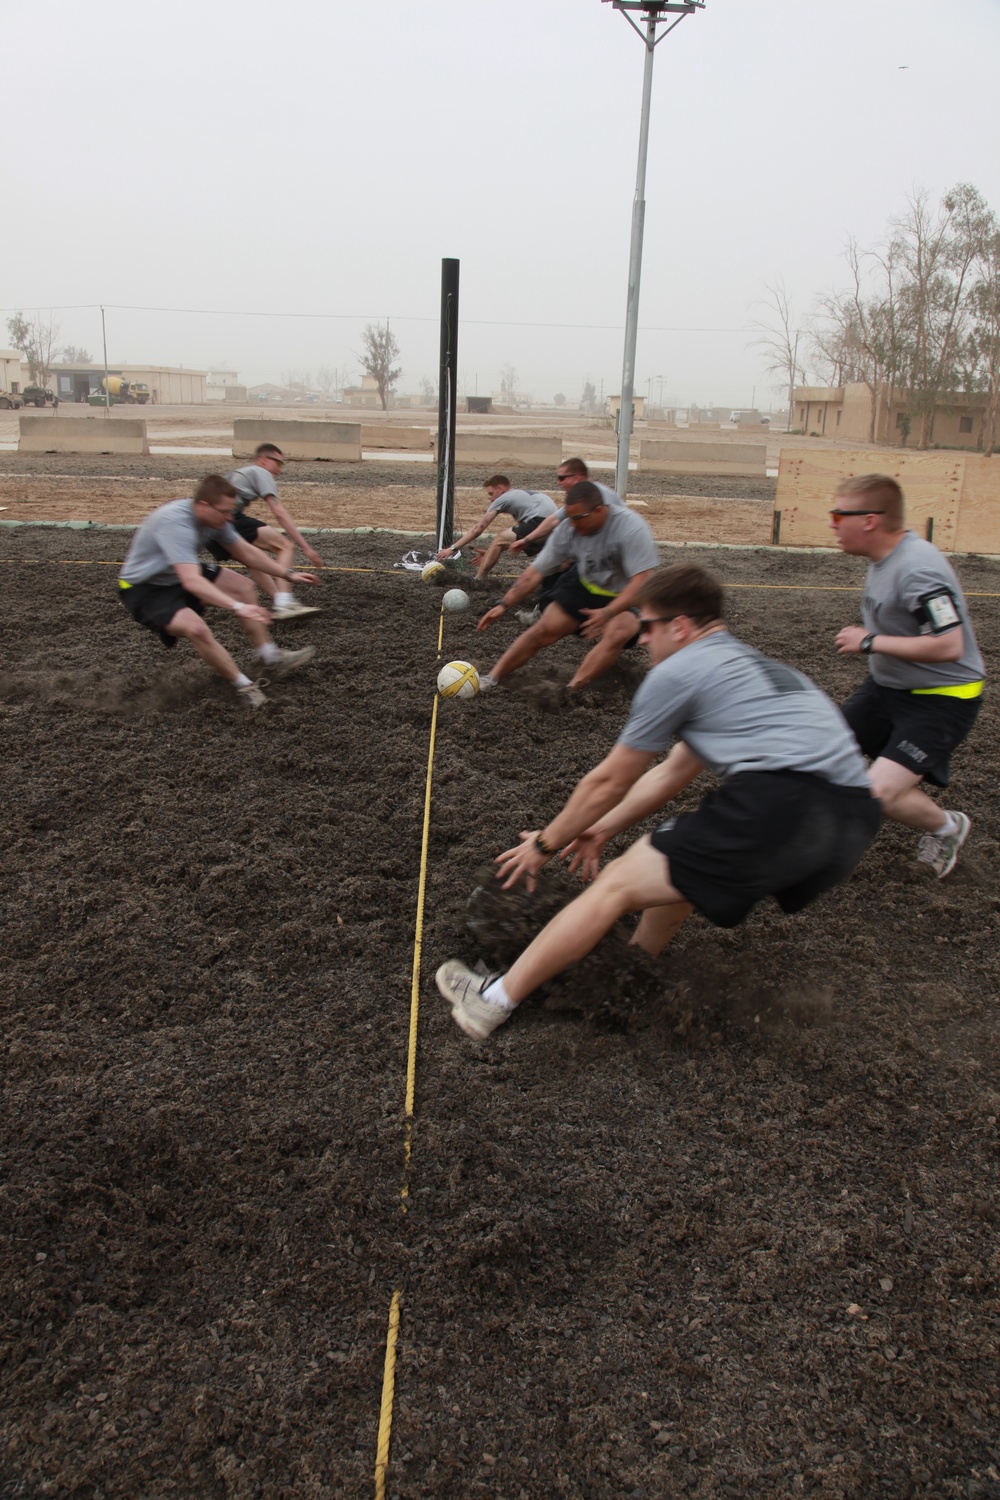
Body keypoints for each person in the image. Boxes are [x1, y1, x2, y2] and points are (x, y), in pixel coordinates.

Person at [436, 562, 881, 1040]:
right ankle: (629, 974)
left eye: (647, 626)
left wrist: (545, 845)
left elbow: (610, 779)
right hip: (851, 821)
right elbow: (673, 770)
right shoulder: (745, 668)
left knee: (616, 886)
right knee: (680, 867)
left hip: (782, 803)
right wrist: (603, 829)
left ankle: (491, 1000)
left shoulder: (678, 673)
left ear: (681, 625)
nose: (641, 639)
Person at [831, 473, 985, 878]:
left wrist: (870, 642)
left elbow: (950, 645)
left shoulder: (918, 568)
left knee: (877, 794)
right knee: (823, 751)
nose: (831, 524)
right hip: (888, 689)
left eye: (837, 515)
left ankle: (948, 827)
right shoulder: (884, 557)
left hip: (944, 697)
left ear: (869, 520)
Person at [118, 474, 319, 707]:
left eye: (231, 511)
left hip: (176, 573)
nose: (229, 517)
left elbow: (246, 552)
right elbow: (192, 582)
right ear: (204, 505)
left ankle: (271, 658)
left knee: (244, 587)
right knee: (196, 629)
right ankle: (245, 686)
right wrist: (238, 607)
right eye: (224, 511)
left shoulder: (216, 520)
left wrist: (287, 574)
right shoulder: (176, 522)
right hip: (145, 587)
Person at [474, 480, 659, 692]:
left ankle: (570, 691)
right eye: (569, 519)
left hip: (623, 596)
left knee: (620, 631)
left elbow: (640, 582)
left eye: (578, 519)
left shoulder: (631, 528)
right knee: (544, 628)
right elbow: (535, 572)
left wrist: (608, 612)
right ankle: (491, 678)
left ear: (599, 510)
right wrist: (504, 604)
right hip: (584, 584)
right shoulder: (569, 528)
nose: (573, 525)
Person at [205, 443, 323, 620]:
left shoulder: (238, 473)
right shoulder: (260, 471)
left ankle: (280, 601)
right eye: (279, 463)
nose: (280, 470)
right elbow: (279, 512)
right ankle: (284, 602)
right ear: (263, 460)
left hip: (210, 529)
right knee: (285, 546)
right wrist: (306, 547)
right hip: (228, 519)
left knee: (253, 560)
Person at [435, 475, 557, 580]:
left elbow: (478, 528)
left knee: (499, 539)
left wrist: (453, 548)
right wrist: (490, 553)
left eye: (491, 494)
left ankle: (478, 580)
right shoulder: (522, 497)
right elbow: (517, 536)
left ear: (500, 488)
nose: (491, 499)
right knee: (503, 540)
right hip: (555, 526)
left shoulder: (505, 497)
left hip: (541, 522)